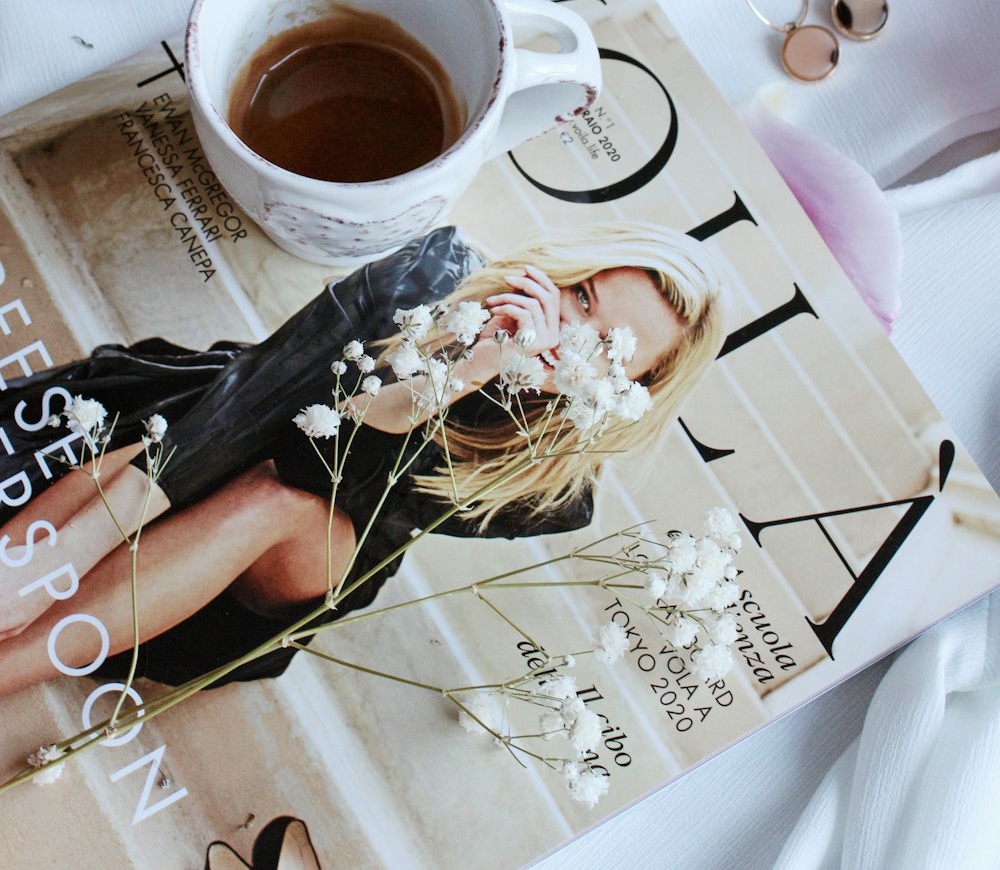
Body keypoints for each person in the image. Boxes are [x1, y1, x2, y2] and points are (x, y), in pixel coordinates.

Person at [0, 222, 725, 695]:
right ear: (563, 265)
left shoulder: (553, 486)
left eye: (604, 348)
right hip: (207, 431)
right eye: (582, 293)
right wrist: (461, 341)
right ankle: (29, 571)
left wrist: (475, 370)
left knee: (271, 498)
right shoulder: (434, 274)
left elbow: (315, 468)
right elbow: (264, 397)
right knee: (172, 433)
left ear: (626, 387)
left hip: (288, 550)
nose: (566, 326)